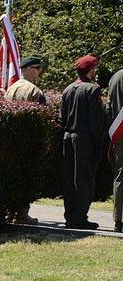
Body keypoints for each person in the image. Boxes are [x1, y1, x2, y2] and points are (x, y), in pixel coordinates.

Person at [61, 55, 105, 230]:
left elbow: (62, 118)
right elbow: (95, 120)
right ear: (90, 70)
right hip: (84, 138)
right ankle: (80, 217)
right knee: (84, 178)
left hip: (68, 136)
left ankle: (70, 216)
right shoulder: (92, 89)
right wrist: (98, 141)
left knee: (69, 178)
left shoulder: (68, 89)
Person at [4, 55, 47, 225]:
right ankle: (21, 213)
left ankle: (9, 213)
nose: (39, 72)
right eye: (37, 68)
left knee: (12, 177)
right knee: (26, 177)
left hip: (10, 140)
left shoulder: (11, 88)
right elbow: (42, 118)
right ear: (28, 69)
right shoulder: (34, 91)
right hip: (28, 141)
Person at [108, 66, 123, 233]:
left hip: (119, 132)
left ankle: (118, 220)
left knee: (119, 177)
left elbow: (109, 107)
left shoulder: (115, 77)